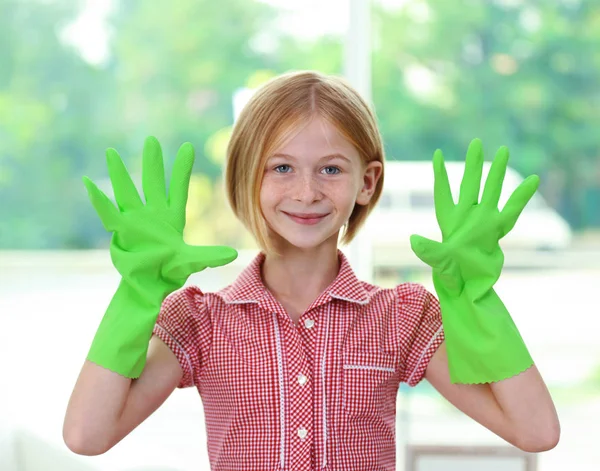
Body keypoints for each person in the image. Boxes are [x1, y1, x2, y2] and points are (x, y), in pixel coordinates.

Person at [63, 70, 560, 470]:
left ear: (366, 182)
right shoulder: (201, 322)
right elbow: (87, 435)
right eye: (281, 168)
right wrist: (136, 293)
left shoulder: (400, 316)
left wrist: (476, 295)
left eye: (330, 168)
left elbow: (535, 430)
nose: (306, 192)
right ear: (246, 177)